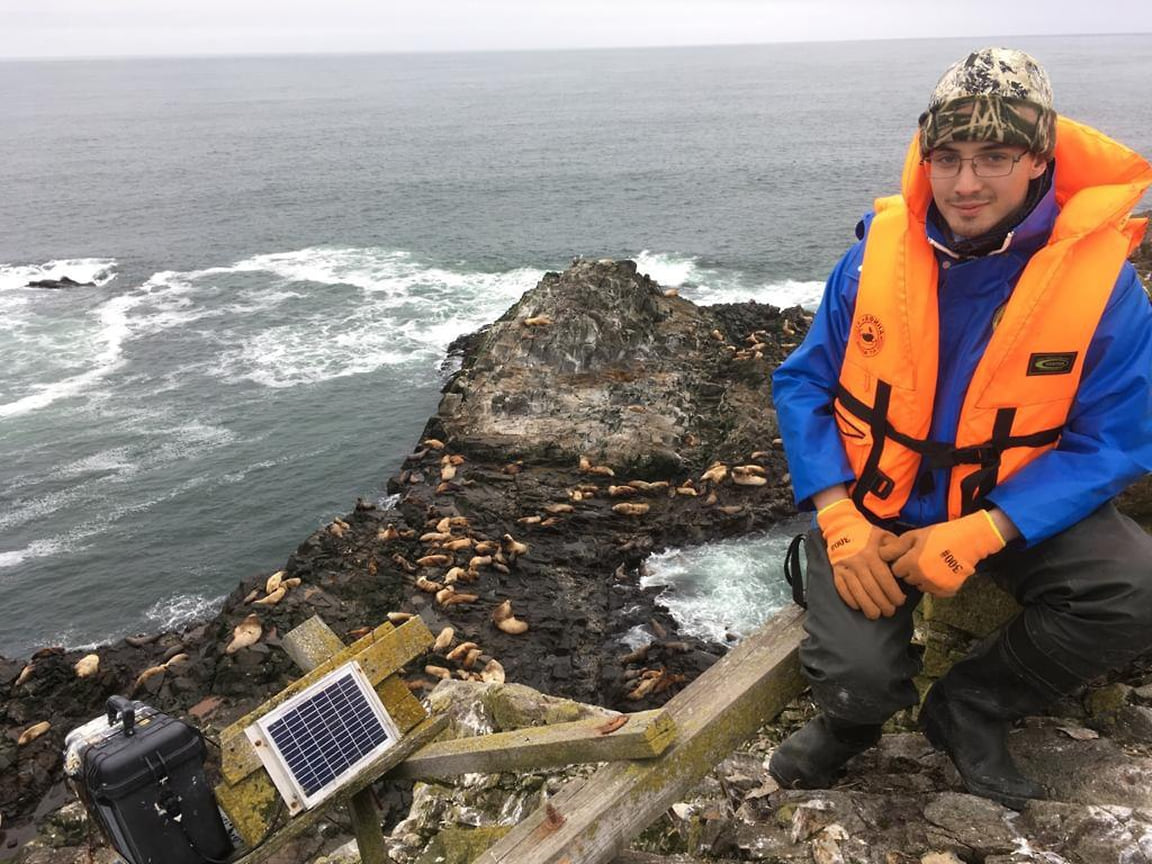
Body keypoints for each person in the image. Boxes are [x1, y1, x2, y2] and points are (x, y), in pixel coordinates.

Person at [768, 47, 1152, 810]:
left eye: (994, 157)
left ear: (1038, 162)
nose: (965, 184)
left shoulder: (1102, 283)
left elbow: (1116, 438)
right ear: (926, 157)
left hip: (1013, 503)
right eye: (947, 157)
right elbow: (805, 381)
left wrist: (989, 529)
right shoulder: (872, 259)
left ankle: (970, 705)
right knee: (859, 680)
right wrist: (837, 515)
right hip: (874, 509)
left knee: (1134, 588)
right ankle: (848, 727)